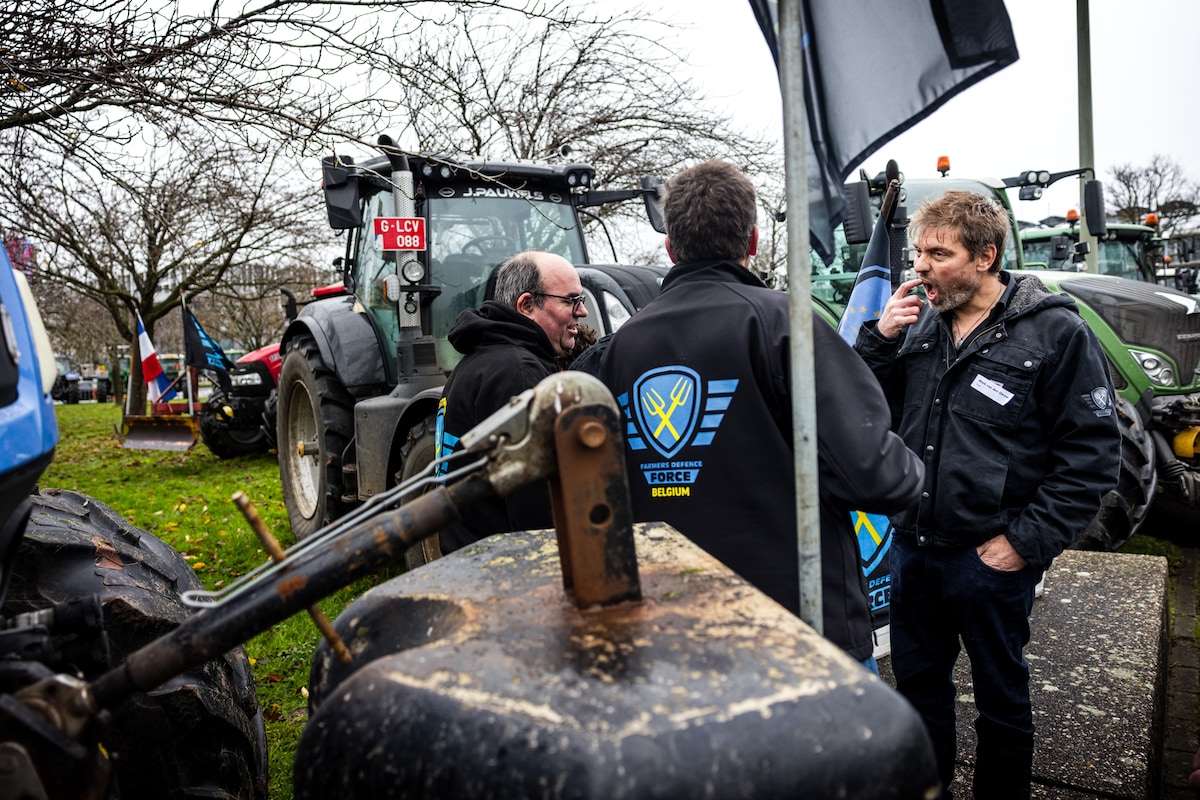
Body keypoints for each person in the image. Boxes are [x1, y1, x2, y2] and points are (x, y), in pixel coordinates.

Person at [591, 159, 924, 669]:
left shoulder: (616, 350)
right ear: (751, 241)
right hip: (797, 632)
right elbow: (878, 476)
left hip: (669, 631)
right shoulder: (786, 325)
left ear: (670, 247)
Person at [853, 190, 1120, 799]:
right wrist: (879, 344)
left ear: (986, 256)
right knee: (918, 695)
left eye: (938, 253)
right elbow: (867, 417)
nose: (920, 265)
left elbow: (1092, 457)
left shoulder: (1055, 333)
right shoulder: (916, 323)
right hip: (914, 550)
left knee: (1001, 701)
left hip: (990, 559)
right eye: (918, 252)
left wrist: (1022, 544)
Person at [435, 250, 589, 551]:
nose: (581, 312)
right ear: (527, 305)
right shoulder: (519, 374)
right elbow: (537, 503)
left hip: (469, 555)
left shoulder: (478, 359)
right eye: (571, 300)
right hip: (506, 566)